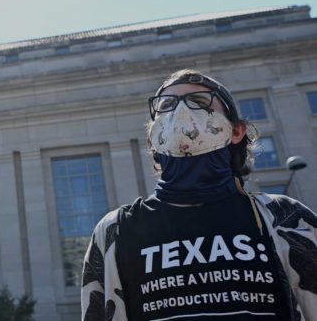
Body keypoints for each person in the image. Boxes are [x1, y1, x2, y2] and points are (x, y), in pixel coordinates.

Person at [81, 69, 317, 321]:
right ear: (154, 137)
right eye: (167, 106)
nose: (181, 112)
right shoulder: (116, 230)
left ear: (237, 131)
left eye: (199, 102)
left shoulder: (286, 219)